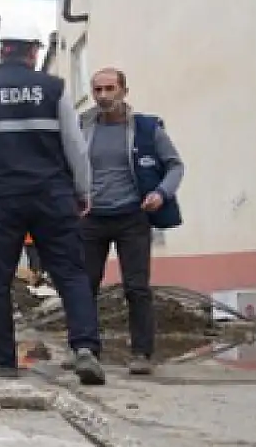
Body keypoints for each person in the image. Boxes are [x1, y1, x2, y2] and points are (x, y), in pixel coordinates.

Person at [0, 16, 107, 385]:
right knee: (71, 273)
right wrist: (84, 191)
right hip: (52, 196)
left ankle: (3, 359)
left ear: (1, 51)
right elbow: (76, 147)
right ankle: (84, 347)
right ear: (34, 52)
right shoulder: (55, 89)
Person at [79, 66, 186, 376]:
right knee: (84, 286)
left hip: (132, 216)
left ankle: (141, 353)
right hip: (92, 218)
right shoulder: (82, 127)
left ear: (124, 91)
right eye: (97, 90)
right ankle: (85, 350)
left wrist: (161, 193)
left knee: (136, 287)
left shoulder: (146, 129)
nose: (103, 96)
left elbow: (175, 166)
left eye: (109, 89)